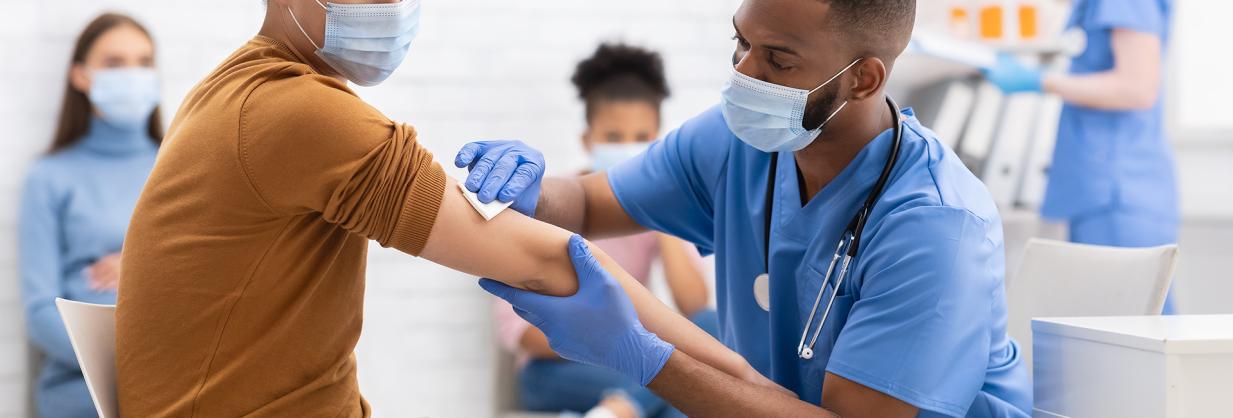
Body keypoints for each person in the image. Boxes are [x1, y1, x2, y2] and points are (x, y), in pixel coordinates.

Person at [112, 1, 777, 416]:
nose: (393, 10)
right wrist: (755, 390)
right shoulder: (298, 113)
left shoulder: (228, 91)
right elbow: (550, 260)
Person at [462, 0, 1033, 416]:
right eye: (741, 43)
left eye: (778, 62)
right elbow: (587, 204)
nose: (743, 73)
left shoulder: (936, 227)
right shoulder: (737, 144)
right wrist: (533, 189)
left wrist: (647, 360)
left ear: (864, 79)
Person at [496, 43, 716, 418]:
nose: (628, 148)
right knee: (687, 387)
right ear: (587, 140)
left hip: (631, 361)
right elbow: (519, 334)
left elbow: (695, 308)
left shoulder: (654, 210)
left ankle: (615, 410)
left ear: (658, 143)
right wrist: (611, 341)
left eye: (641, 137)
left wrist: (661, 215)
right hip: (555, 371)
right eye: (614, 137)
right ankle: (624, 407)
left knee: (707, 339)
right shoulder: (547, 205)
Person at [983, 0, 1179, 314]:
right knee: (1112, 325)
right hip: (1102, 187)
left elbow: (1137, 87)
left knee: (1130, 330)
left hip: (1118, 190)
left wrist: (1039, 80)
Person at [18, 13, 163, 418]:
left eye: (144, 62)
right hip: (78, 392)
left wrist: (137, 264)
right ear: (81, 76)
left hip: (173, 382)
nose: (132, 75)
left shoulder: (181, 169)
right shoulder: (49, 177)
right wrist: (127, 362)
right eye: (114, 63)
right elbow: (40, 312)